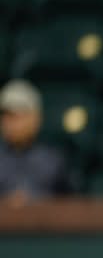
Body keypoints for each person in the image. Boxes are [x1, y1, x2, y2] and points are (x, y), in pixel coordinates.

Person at [0, 79, 68, 207]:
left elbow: (69, 204)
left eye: (18, 116)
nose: (11, 123)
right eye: (7, 115)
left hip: (45, 225)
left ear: (35, 118)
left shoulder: (52, 160)